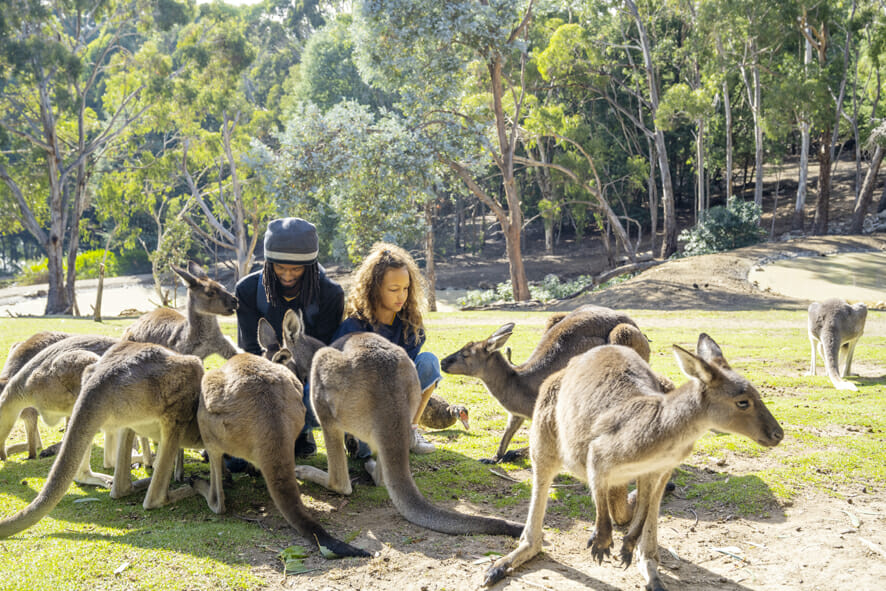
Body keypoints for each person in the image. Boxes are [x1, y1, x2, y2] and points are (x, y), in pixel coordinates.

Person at [235, 217, 344, 459]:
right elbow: (250, 348)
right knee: (236, 463)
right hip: (266, 373)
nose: (287, 275)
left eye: (296, 268)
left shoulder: (330, 294)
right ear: (268, 263)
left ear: (310, 265)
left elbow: (326, 350)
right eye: (280, 267)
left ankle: (302, 430)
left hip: (309, 380)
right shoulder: (248, 290)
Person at [332, 242, 441, 456]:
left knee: (429, 362)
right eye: (393, 290)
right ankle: (356, 437)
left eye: (406, 288)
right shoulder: (353, 327)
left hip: (396, 397)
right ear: (374, 289)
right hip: (362, 404)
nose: (402, 296)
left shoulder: (410, 326)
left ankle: (410, 431)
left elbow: (409, 377)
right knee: (368, 453)